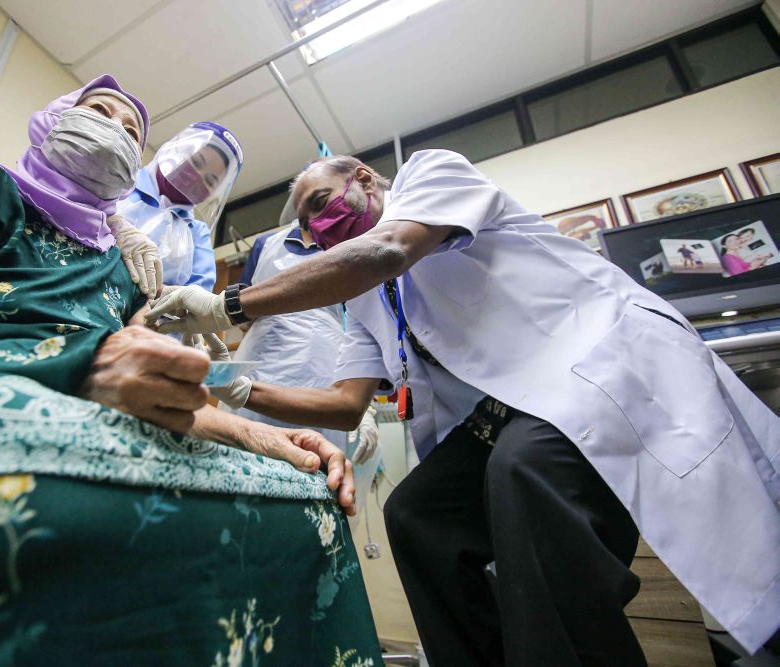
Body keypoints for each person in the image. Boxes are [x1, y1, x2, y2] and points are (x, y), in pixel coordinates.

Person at [0, 77, 378, 666]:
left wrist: (264, 437)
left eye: (131, 131)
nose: (115, 131)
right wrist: (82, 366)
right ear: (55, 118)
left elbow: (143, 391)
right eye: (100, 112)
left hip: (84, 424)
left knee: (303, 498)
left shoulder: (118, 272)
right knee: (40, 501)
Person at [148, 150, 780, 665]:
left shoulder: (430, 176)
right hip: (512, 412)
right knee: (418, 515)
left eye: (322, 203)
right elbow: (343, 406)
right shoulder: (367, 300)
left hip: (596, 364)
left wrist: (230, 306)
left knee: (524, 472)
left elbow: (388, 250)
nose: (319, 226)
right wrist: (232, 391)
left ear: (364, 178)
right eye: (310, 225)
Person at [213, 213, 379, 464]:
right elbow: (243, 314)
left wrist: (365, 403)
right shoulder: (266, 244)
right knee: (241, 447)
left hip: (323, 364)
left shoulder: (347, 248)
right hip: (263, 359)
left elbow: (362, 326)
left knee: (314, 456)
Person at [118, 122, 243, 292]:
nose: (198, 175)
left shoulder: (197, 234)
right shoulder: (121, 180)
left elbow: (197, 295)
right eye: (196, 162)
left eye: (210, 180)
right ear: (175, 149)